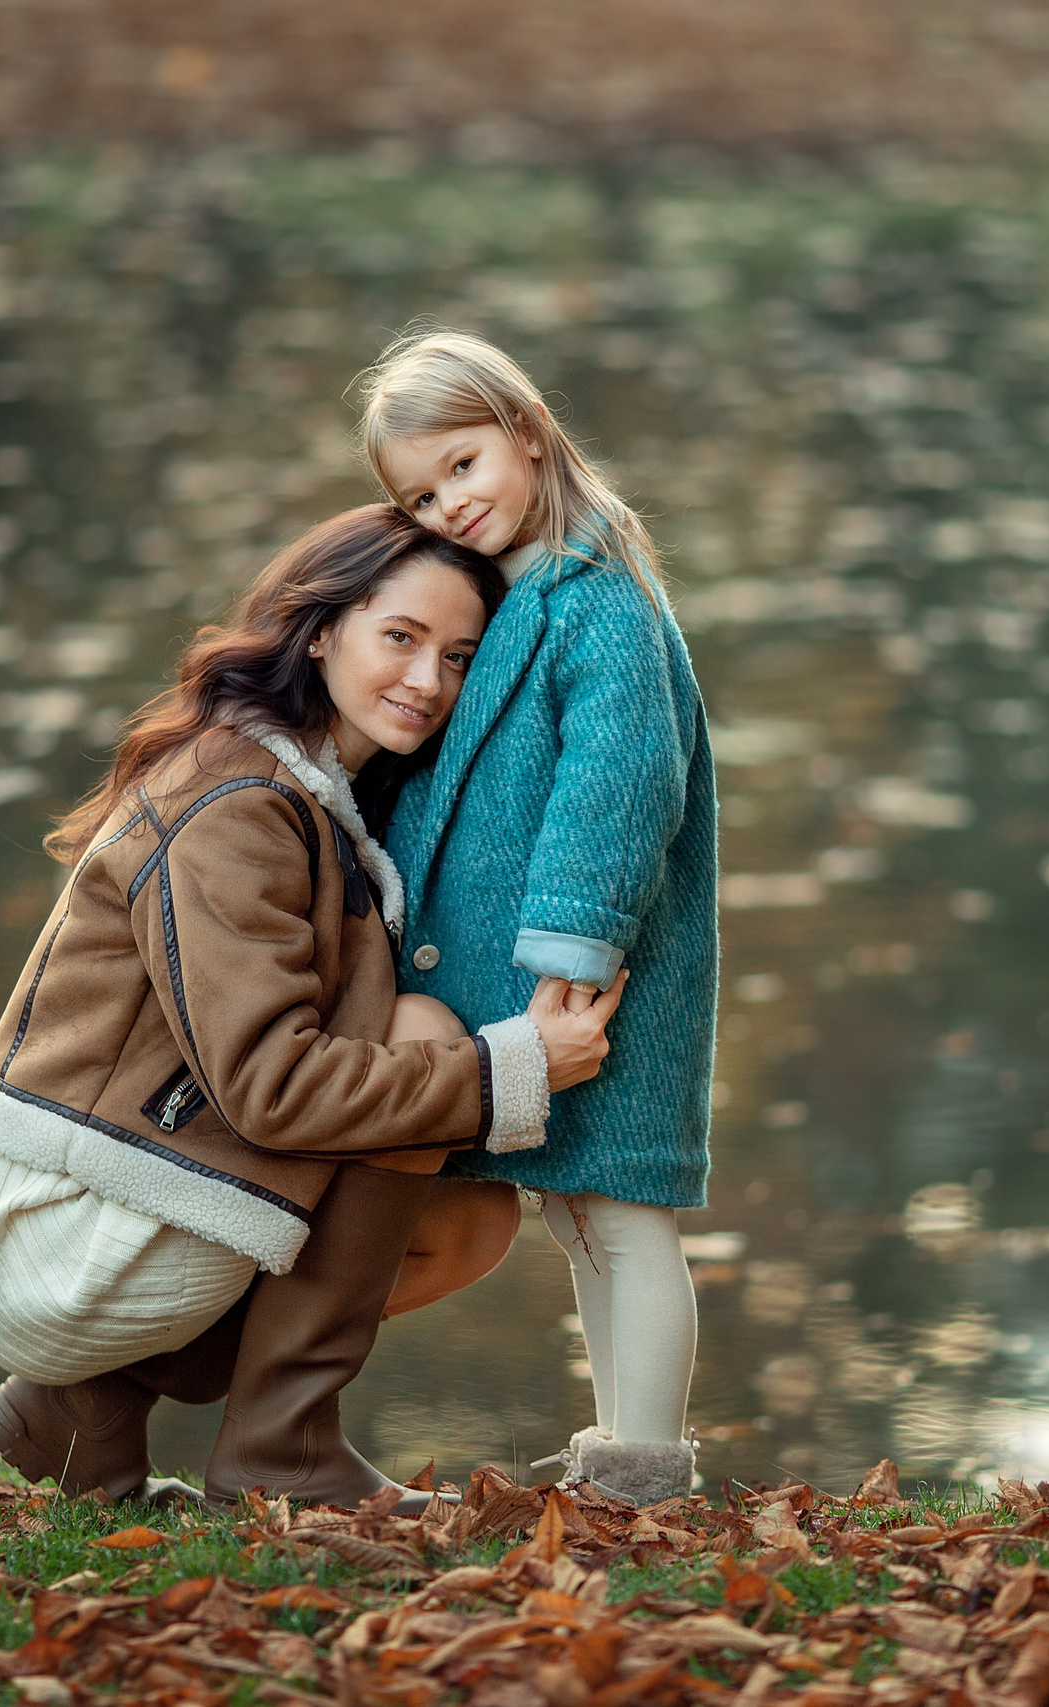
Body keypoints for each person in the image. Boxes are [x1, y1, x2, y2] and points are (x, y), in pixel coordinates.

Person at [0, 504, 627, 1512]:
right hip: (51, 1229)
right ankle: (281, 1451)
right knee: (430, 1045)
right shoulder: (237, 805)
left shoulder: (317, 792)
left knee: (466, 1220)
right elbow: (274, 1089)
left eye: (459, 656)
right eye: (400, 637)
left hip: (125, 1190)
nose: (428, 680)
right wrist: (513, 1067)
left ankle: (81, 1411)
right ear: (319, 629)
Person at [355, 328, 720, 1507]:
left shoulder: (597, 600)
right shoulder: (509, 601)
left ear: (522, 428)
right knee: (579, 1219)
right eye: (418, 492)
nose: (448, 503)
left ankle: (647, 1466)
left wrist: (578, 942)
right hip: (537, 980)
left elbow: (618, 783)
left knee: (625, 1214)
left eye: (462, 465)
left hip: (600, 972)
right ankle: (620, 1447)